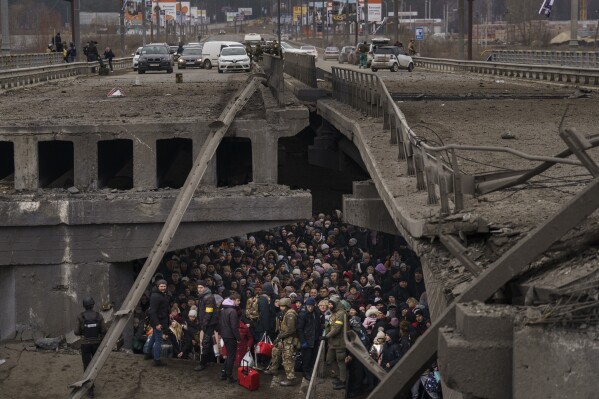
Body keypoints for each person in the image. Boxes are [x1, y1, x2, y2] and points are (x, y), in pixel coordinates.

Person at [75, 296, 107, 398]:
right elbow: (103, 331)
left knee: (87, 366)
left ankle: (90, 389)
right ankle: (92, 383)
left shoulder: (80, 316)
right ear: (93, 304)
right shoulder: (99, 316)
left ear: (84, 306)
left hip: (85, 345)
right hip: (96, 344)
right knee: (95, 366)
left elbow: (77, 332)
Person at [265, 297, 298, 386]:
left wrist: (280, 336)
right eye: (280, 306)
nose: (281, 308)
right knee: (275, 351)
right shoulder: (285, 313)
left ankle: (291, 378)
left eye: (283, 306)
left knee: (287, 358)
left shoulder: (290, 314)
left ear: (287, 306)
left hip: (289, 340)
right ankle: (273, 369)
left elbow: (291, 330)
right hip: (284, 338)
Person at [322, 296, 347, 390]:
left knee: (340, 361)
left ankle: (342, 380)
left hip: (339, 342)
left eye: (332, 304)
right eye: (329, 304)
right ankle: (338, 376)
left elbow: (337, 329)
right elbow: (330, 326)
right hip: (332, 342)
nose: (330, 306)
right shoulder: (333, 313)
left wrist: (326, 336)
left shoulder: (341, 313)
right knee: (329, 360)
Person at [194, 280, 217, 371]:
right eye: (198, 287)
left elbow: (209, 312)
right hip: (206, 322)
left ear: (205, 288)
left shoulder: (208, 297)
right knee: (208, 342)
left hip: (209, 323)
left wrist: (204, 324)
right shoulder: (203, 296)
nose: (199, 289)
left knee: (206, 342)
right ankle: (209, 360)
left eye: (201, 287)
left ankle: (202, 363)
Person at [219, 292, 241, 383]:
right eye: (238, 300)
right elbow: (234, 327)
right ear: (233, 300)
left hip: (224, 335)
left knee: (229, 356)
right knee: (231, 357)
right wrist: (238, 338)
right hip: (231, 336)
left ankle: (224, 374)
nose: (239, 302)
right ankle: (229, 377)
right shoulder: (232, 311)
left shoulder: (223, 309)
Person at [297, 296, 321, 380]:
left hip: (315, 338)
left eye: (311, 306)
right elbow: (299, 329)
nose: (310, 308)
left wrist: (319, 335)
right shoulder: (303, 314)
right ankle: (305, 372)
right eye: (308, 306)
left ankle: (310, 371)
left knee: (313, 356)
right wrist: (303, 341)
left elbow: (318, 325)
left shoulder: (316, 313)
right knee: (306, 357)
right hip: (307, 339)